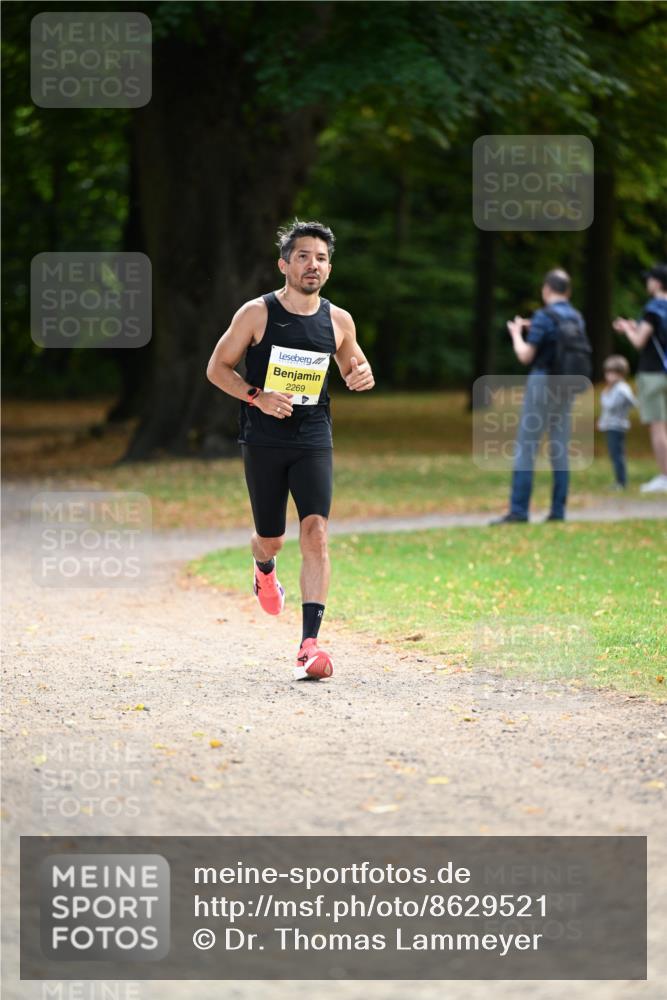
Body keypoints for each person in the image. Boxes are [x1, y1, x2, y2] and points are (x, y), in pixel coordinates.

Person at [206, 220, 374, 680]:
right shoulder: (256, 314)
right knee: (273, 536)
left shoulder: (339, 320)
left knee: (316, 531)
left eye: (320, 258)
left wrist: (362, 374)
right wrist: (257, 396)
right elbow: (217, 368)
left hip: (313, 435)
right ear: (284, 264)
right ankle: (263, 566)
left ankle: (309, 644)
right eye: (303, 256)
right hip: (263, 438)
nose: (312, 265)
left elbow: (352, 362)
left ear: (329, 267)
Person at [491, 268, 587, 524]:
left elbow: (526, 356)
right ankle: (558, 510)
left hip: (543, 382)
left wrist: (516, 334)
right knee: (560, 447)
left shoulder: (545, 316)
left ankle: (519, 510)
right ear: (568, 291)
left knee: (527, 445)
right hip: (567, 384)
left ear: (546, 289)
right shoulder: (576, 317)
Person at [613, 264, 667, 493]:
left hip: (652, 374)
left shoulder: (653, 308)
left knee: (658, 427)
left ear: (656, 282)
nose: (647, 283)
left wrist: (627, 330)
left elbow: (639, 342)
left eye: (649, 280)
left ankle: (665, 477)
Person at [597, 355, 637, 490]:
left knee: (617, 455)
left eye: (613, 373)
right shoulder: (614, 388)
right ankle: (619, 480)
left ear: (621, 374)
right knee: (615, 454)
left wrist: (605, 394)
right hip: (610, 425)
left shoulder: (621, 389)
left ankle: (621, 482)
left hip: (617, 426)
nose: (609, 376)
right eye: (608, 372)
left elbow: (610, 405)